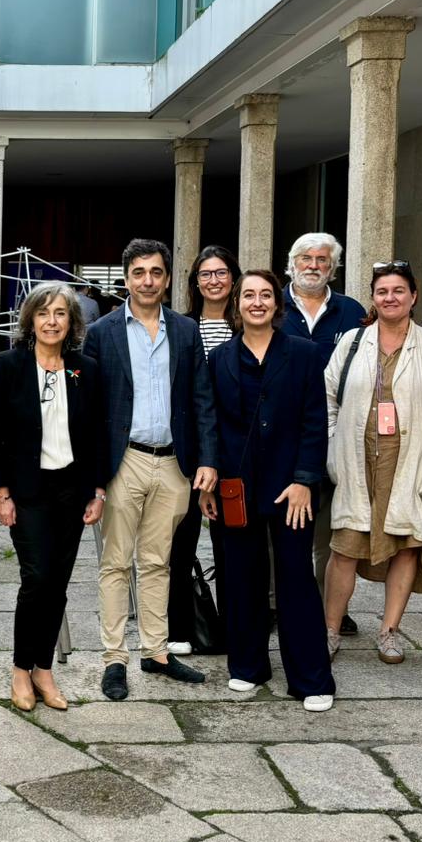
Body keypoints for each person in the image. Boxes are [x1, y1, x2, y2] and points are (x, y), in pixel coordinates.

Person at [85, 238, 218, 701]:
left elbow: (202, 398)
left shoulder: (185, 330)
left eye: (156, 272)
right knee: (116, 563)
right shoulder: (101, 332)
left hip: (175, 465)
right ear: (126, 279)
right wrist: (95, 476)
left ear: (166, 278)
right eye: (139, 272)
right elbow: (90, 407)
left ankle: (156, 652)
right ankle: (114, 658)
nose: (147, 280)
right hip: (126, 461)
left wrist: (207, 460)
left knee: (160, 562)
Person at [202, 270, 335, 710]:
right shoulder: (219, 358)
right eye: (248, 296)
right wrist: (210, 482)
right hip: (235, 487)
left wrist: (304, 480)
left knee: (296, 579)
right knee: (240, 577)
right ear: (236, 304)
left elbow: (315, 423)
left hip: (290, 488)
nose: (256, 302)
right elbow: (212, 426)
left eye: (265, 295)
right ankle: (247, 666)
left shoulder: (303, 354)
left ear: (277, 305)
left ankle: (312, 679)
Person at [322, 261, 422, 665]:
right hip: (357, 460)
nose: (390, 298)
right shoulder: (353, 341)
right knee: (345, 547)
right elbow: (326, 397)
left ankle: (388, 631)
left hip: (411, 461)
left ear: (414, 296)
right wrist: (333, 446)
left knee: (406, 547)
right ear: (374, 296)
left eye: (399, 291)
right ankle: (330, 629)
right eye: (383, 291)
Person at [0, 283, 106, 711]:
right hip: (28, 491)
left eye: (60, 314)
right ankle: (20, 669)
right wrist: (1, 493)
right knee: (36, 579)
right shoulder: (9, 364)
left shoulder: (85, 368)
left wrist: (98, 491)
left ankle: (43, 669)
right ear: (30, 320)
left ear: (71, 322)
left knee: (58, 584)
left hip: (71, 492)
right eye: (43, 313)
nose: (51, 321)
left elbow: (96, 436)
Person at [282, 232, 368, 637]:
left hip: (338, 436)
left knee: (330, 529)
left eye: (322, 259)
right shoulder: (272, 305)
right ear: (292, 263)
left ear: (333, 267)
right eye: (305, 258)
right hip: (280, 433)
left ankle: (327, 605)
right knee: (278, 524)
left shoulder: (352, 312)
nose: (313, 265)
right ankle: (274, 603)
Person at [167, 244, 241, 654]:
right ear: (195, 282)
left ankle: (235, 626)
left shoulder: (247, 323)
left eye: (221, 272)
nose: (214, 280)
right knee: (182, 540)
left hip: (236, 451)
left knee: (232, 546)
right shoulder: (181, 327)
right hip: (191, 452)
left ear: (234, 277)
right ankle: (181, 628)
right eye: (205, 274)